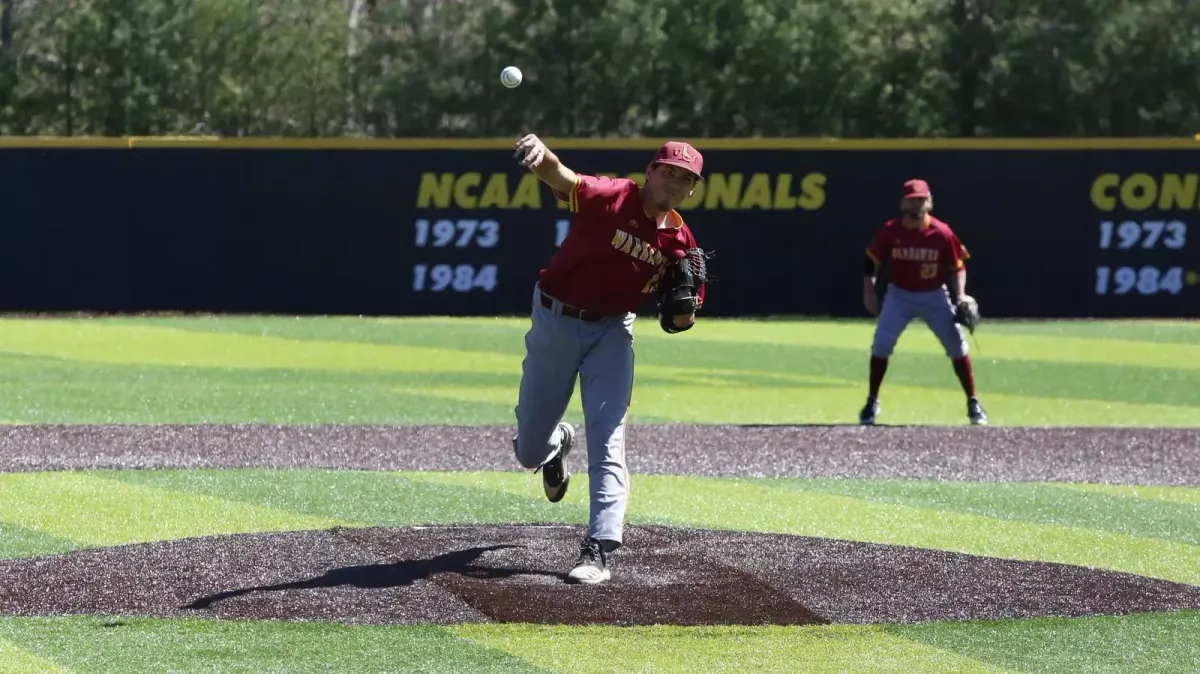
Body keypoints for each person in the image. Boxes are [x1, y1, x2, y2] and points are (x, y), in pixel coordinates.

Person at [508, 134, 709, 585]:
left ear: (692, 190)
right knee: (527, 452)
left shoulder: (681, 242)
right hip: (557, 318)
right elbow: (562, 177)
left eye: (685, 179)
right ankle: (556, 444)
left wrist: (681, 311)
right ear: (651, 172)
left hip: (613, 331)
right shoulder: (613, 196)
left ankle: (599, 546)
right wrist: (540, 157)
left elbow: (681, 321)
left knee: (608, 435)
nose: (674, 184)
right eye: (669, 172)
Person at [860, 178, 987, 426]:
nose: (917, 203)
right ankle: (872, 401)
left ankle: (973, 401)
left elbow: (957, 266)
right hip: (900, 295)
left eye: (921, 199)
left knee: (957, 346)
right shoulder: (890, 230)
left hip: (933, 294)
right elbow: (871, 261)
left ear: (929, 202)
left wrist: (960, 294)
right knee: (881, 346)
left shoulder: (941, 232)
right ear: (903, 202)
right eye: (912, 199)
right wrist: (869, 292)